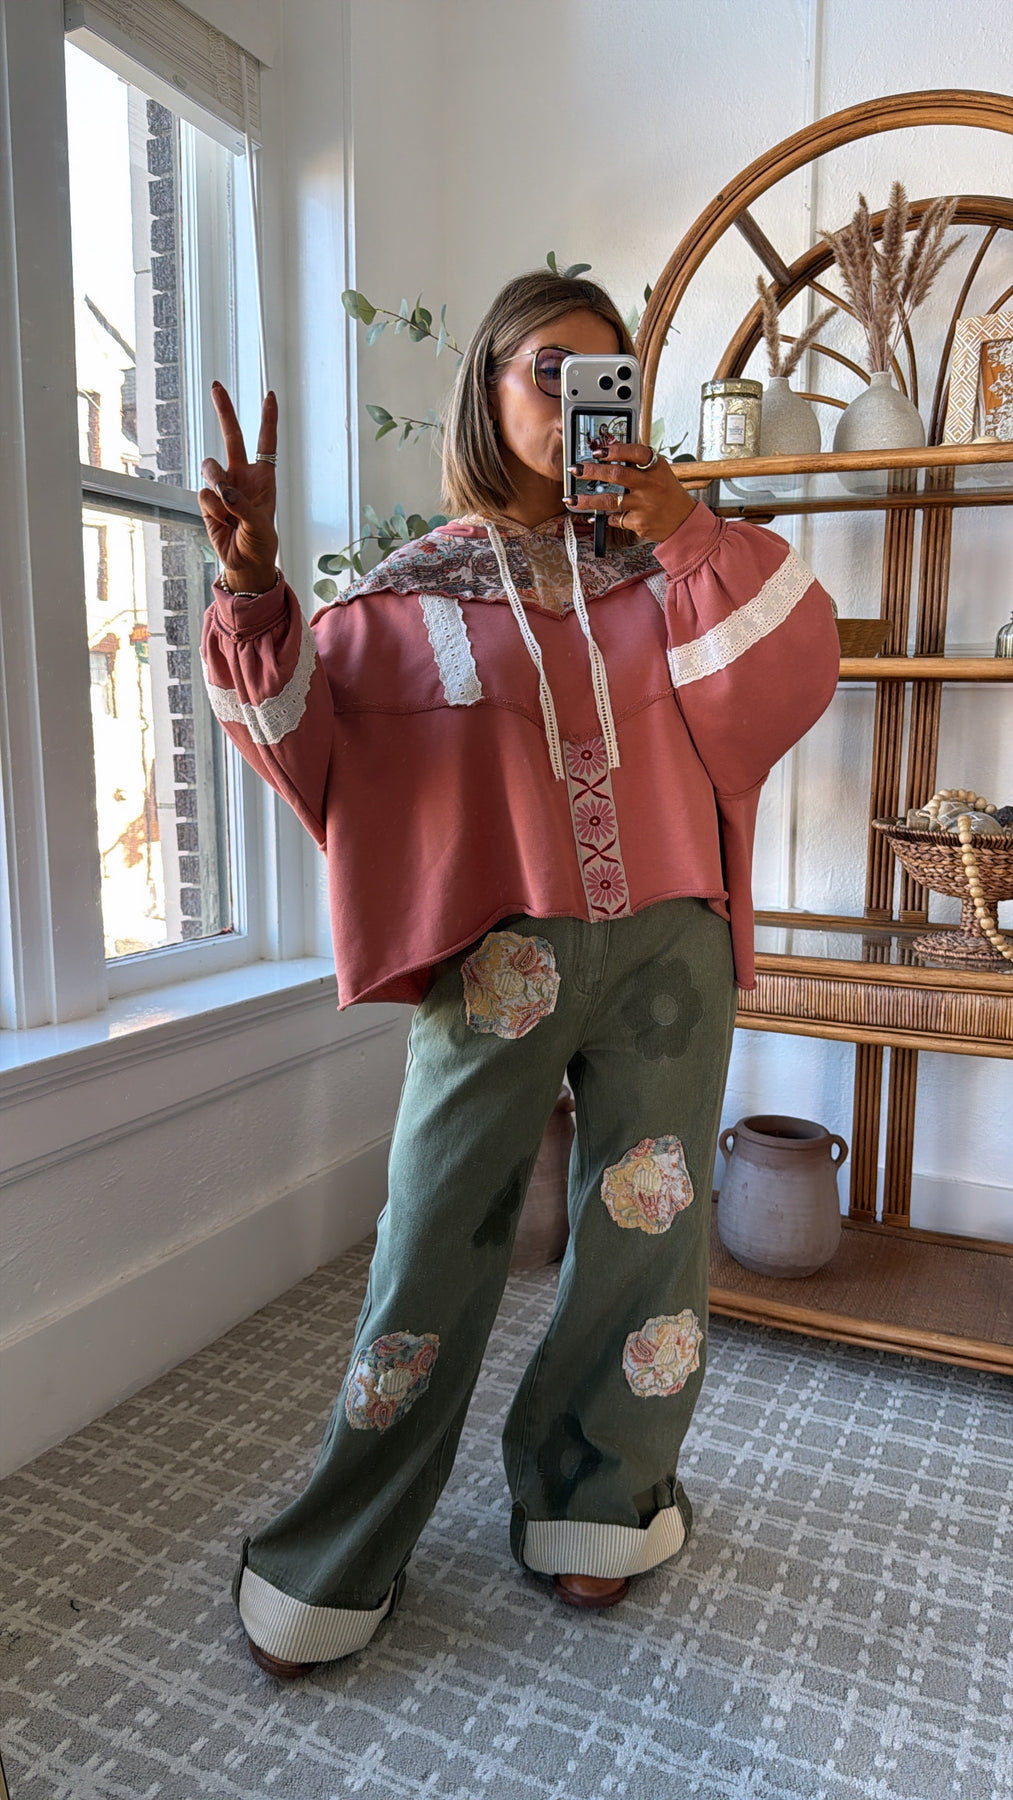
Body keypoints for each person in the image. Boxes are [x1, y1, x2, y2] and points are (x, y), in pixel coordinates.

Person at [199, 270, 839, 1680]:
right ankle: (339, 1553)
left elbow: (796, 669)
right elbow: (305, 754)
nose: (573, 401)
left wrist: (682, 528)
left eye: (602, 377)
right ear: (485, 389)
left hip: (671, 944)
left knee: (648, 1238)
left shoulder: (676, 572)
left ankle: (596, 1501)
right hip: (500, 960)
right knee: (435, 1235)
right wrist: (250, 592)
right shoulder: (410, 591)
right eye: (546, 371)